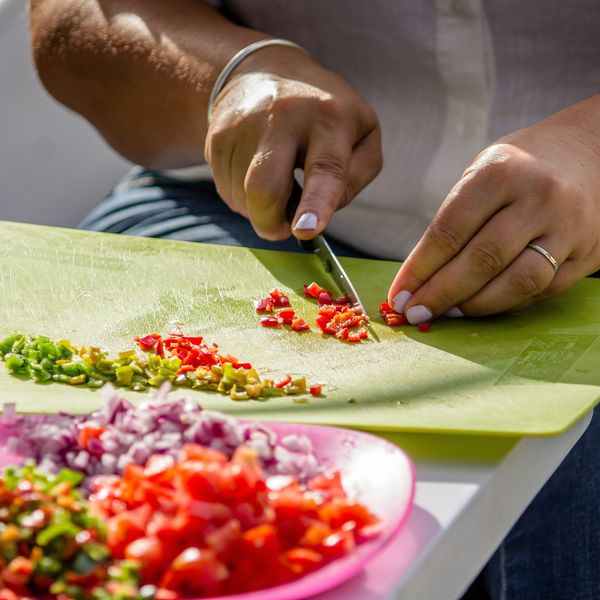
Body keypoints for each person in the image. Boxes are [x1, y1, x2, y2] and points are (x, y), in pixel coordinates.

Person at [29, 1, 600, 598]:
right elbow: (70, 25)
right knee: (145, 434)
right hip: (236, 209)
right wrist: (231, 71)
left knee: (567, 456)